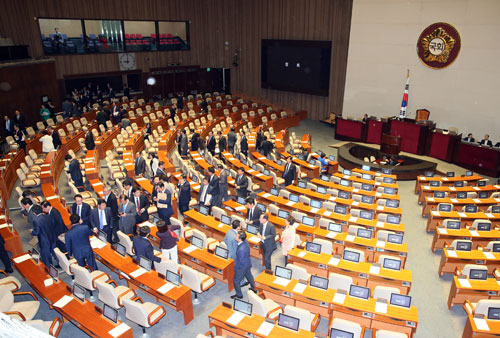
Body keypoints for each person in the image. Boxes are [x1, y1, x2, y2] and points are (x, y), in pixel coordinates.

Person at [231, 231, 256, 299]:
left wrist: (235, 268)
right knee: (249, 276)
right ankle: (254, 288)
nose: (235, 236)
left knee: (236, 281)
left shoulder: (241, 249)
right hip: (247, 263)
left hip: (242, 267)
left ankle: (239, 295)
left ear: (240, 239)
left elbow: (241, 262)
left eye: (236, 236)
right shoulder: (245, 241)